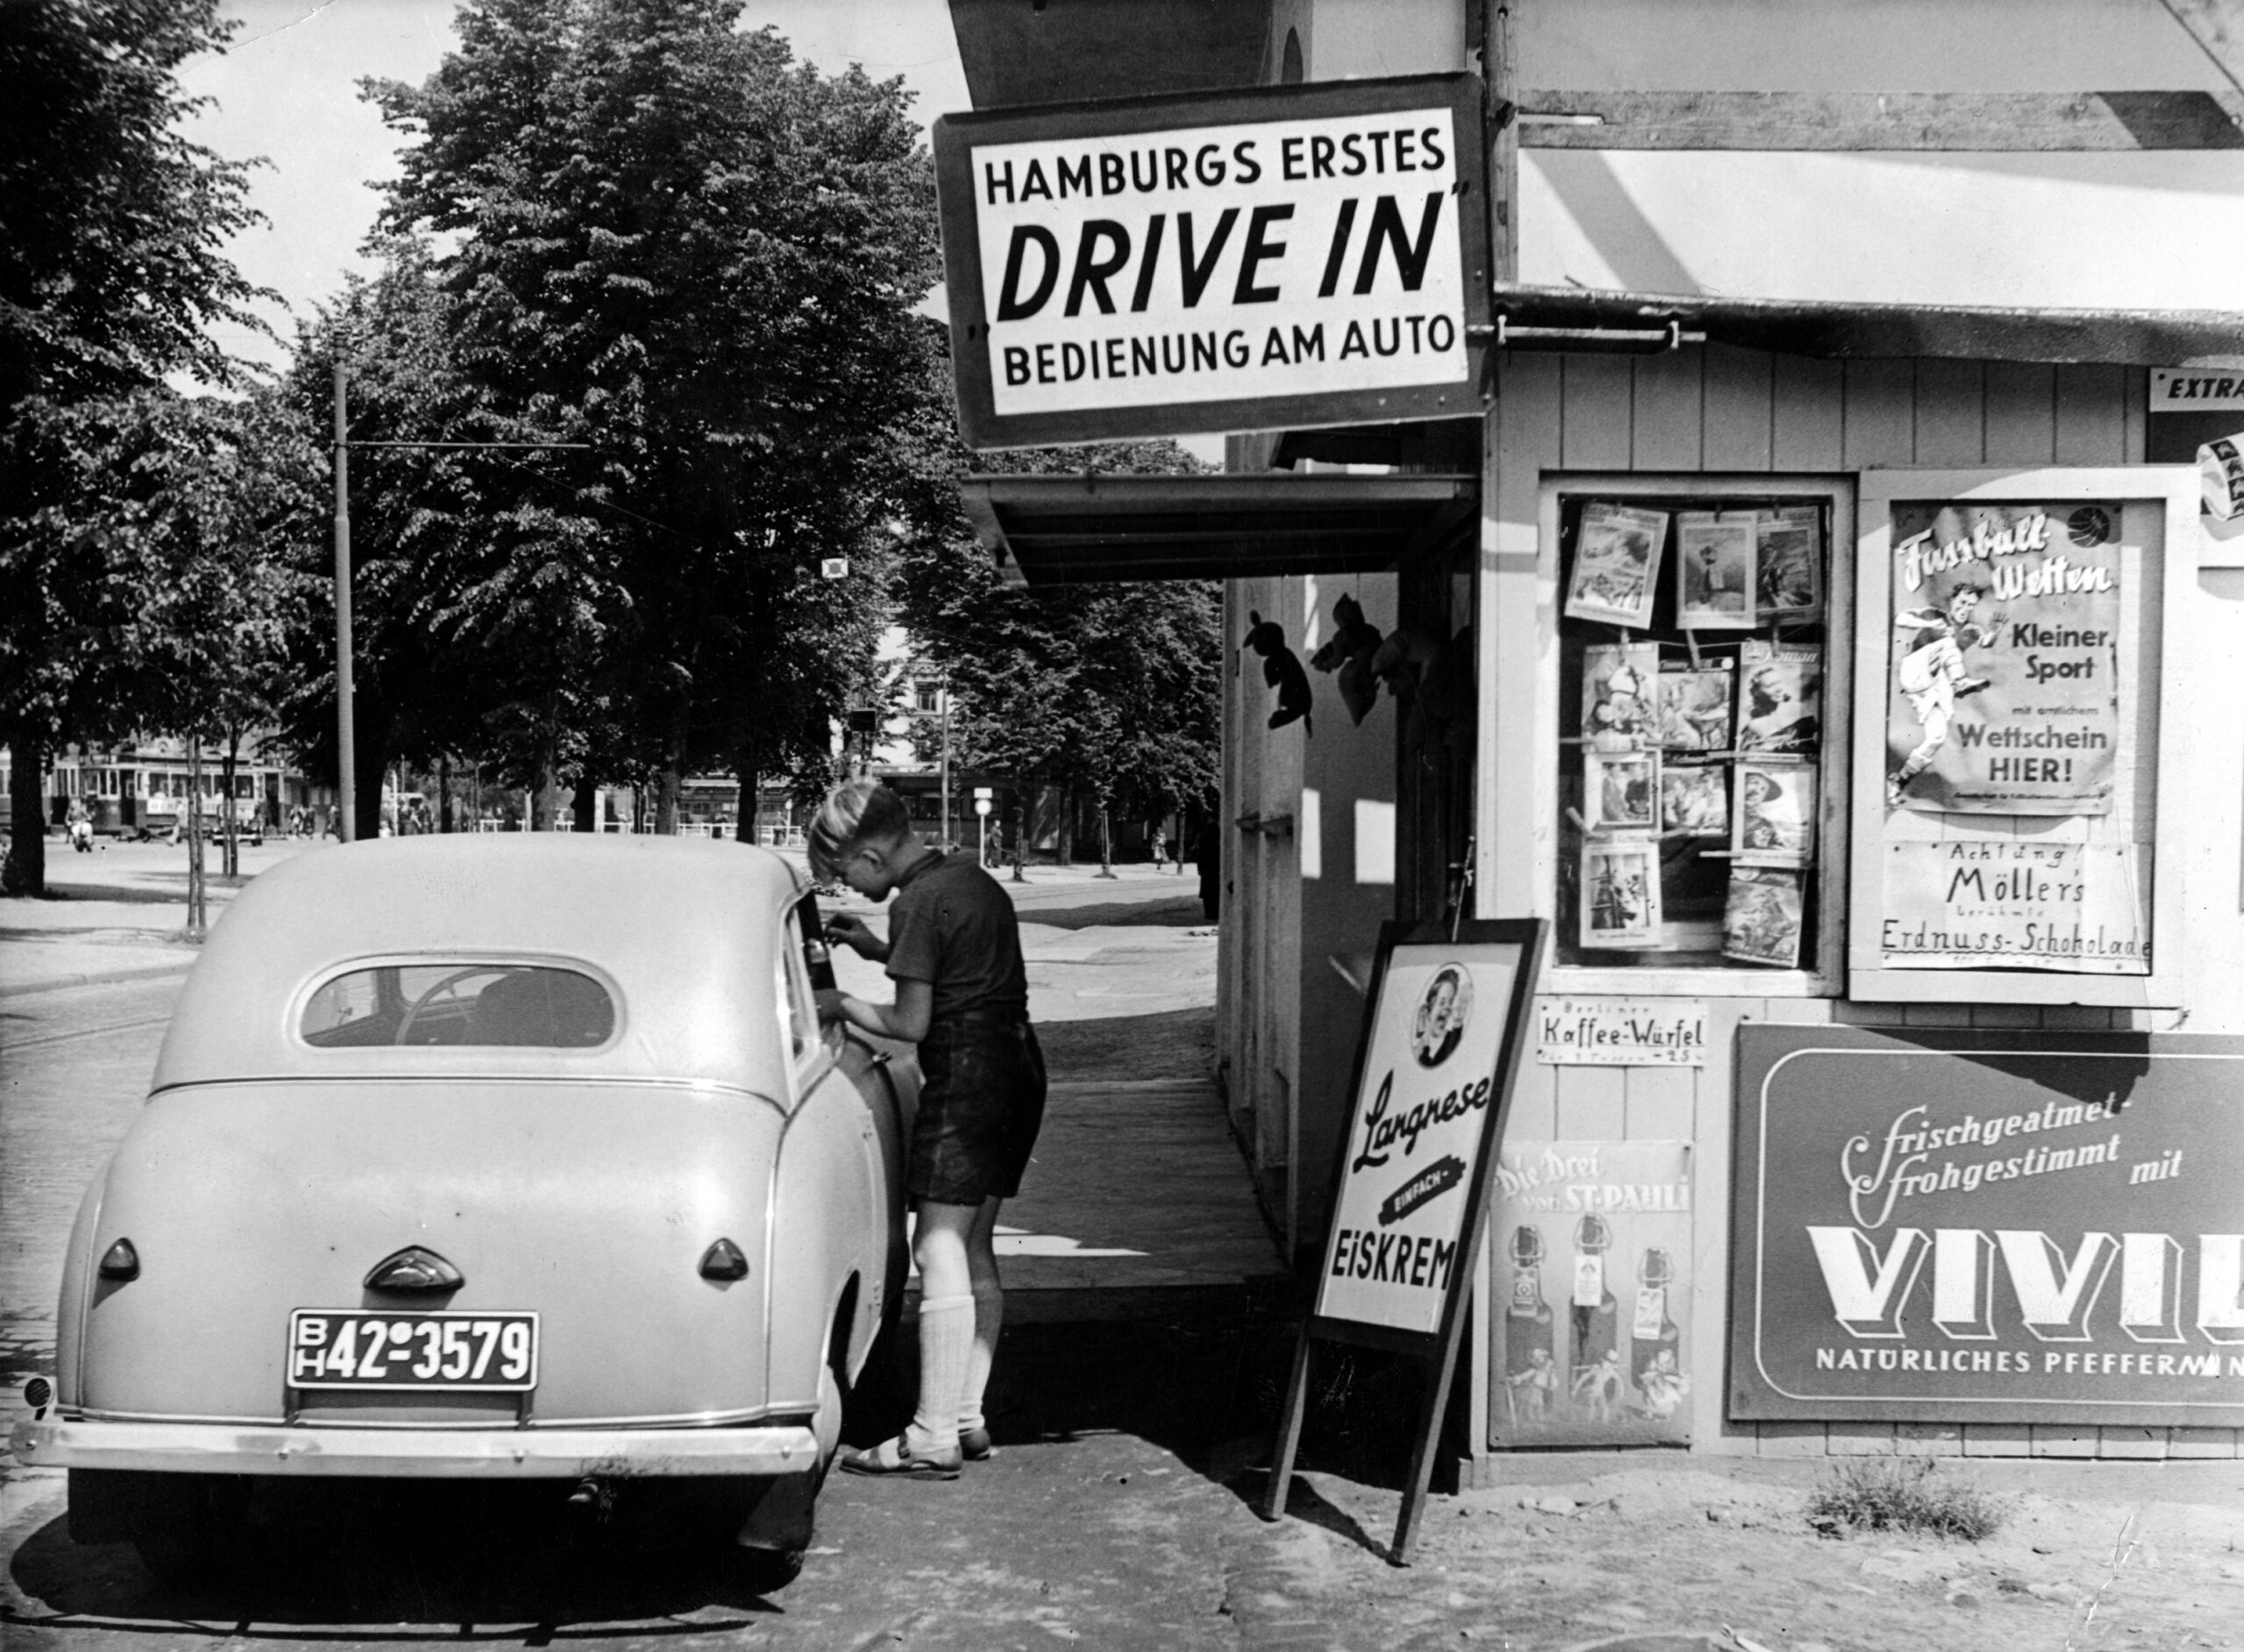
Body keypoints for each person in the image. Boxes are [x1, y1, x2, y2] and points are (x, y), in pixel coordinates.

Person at [809, 779, 1046, 1478]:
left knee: (934, 1240)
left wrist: (836, 1000)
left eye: (843, 870)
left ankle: (930, 1433)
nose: (841, 883)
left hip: (967, 1074)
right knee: (974, 1243)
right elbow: (957, 969)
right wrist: (878, 947)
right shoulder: (968, 879)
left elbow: (912, 1023)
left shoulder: (918, 899)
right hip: (1017, 1067)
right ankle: (967, 1413)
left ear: (874, 854)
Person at [1889, 580, 1995, 805]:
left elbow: (1986, 641)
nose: (1966, 609)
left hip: (1933, 685)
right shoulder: (1936, 616)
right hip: (1915, 669)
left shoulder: (1970, 629)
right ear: (1952, 601)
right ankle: (1960, 682)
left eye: (1971, 605)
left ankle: (1899, 781)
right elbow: (1901, 619)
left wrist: (1994, 632)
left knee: (1936, 737)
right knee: (1948, 643)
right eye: (1963, 602)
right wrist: (1927, 621)